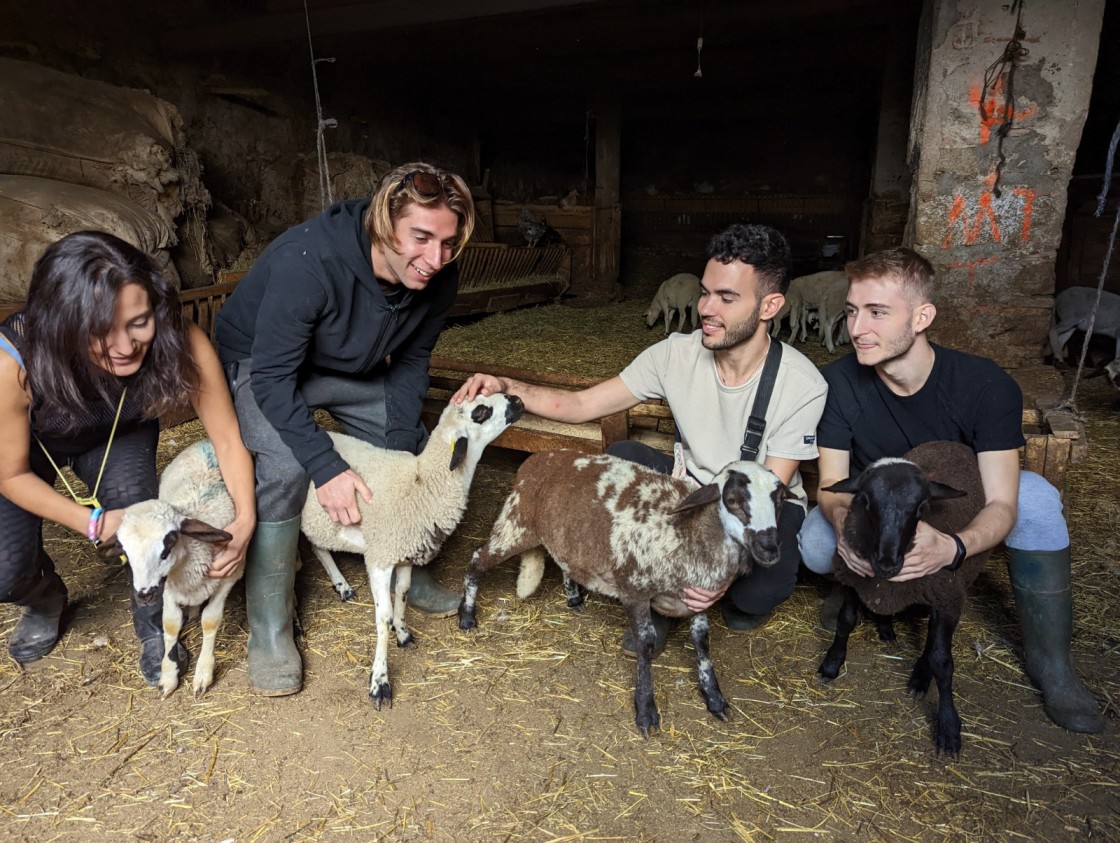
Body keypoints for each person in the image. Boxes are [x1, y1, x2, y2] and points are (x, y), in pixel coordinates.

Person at [453, 223, 827, 654]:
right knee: (620, 455)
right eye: (705, 292)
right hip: (689, 486)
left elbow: (767, 492)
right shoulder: (675, 353)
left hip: (761, 501)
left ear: (770, 306)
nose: (706, 307)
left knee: (755, 594)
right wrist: (504, 385)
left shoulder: (802, 384)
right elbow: (580, 406)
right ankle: (654, 595)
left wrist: (719, 581)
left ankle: (695, 592)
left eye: (727, 298)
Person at [798, 247, 1104, 734]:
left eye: (878, 313)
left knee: (1040, 501)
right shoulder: (836, 382)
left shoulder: (985, 385)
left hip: (957, 503)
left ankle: (1053, 665)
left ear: (922, 317)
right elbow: (832, 489)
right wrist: (843, 532)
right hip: (874, 506)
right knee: (815, 547)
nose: (857, 329)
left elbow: (1002, 501)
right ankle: (863, 585)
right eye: (852, 311)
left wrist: (955, 546)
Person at [215, 161, 476, 696]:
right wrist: (326, 465)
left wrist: (402, 451)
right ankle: (270, 621)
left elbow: (410, 363)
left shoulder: (439, 275)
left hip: (345, 366)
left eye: (448, 243)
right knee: (288, 462)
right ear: (384, 224)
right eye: (421, 238)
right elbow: (272, 377)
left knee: (408, 438)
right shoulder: (309, 261)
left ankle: (406, 559)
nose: (435, 259)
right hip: (266, 366)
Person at [0, 231, 256, 684]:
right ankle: (43, 597)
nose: (124, 345)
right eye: (100, 330)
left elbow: (228, 440)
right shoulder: (14, 359)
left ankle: (156, 626)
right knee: (5, 570)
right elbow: (11, 473)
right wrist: (92, 523)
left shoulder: (179, 337)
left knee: (147, 524)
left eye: (139, 322)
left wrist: (245, 520)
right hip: (34, 449)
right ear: (63, 324)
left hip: (116, 434)